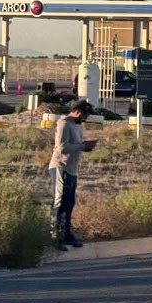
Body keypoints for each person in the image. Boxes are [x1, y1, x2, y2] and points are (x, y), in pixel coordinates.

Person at [48, 99, 96, 250]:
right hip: (60, 167)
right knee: (59, 201)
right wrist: (81, 146)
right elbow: (62, 148)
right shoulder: (63, 124)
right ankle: (54, 236)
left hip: (72, 169)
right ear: (77, 112)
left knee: (69, 203)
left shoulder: (77, 126)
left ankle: (66, 234)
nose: (84, 120)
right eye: (83, 116)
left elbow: (75, 146)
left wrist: (85, 146)